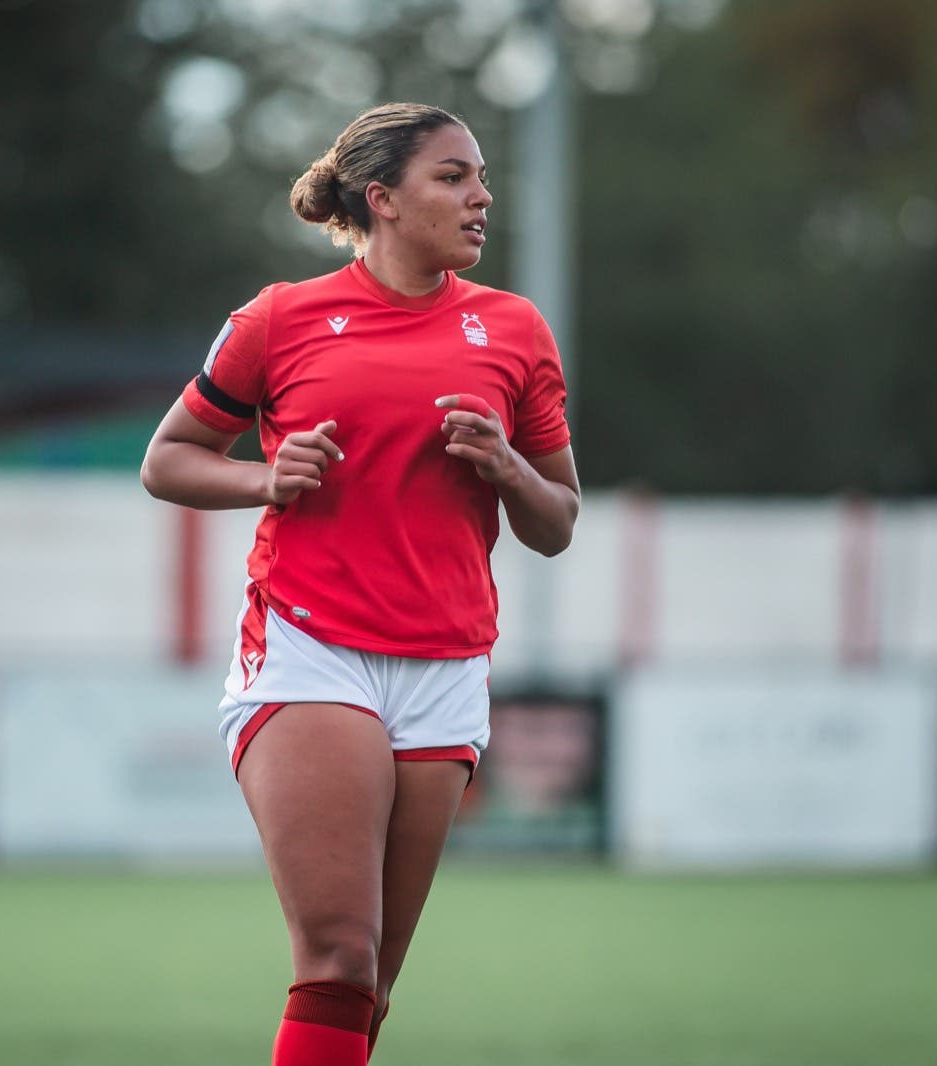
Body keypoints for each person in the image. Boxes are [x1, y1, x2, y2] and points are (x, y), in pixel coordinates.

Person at [141, 102, 578, 1065]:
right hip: (310, 648)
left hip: (447, 666)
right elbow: (166, 461)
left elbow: (557, 523)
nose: (480, 196)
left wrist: (508, 469)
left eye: (480, 177)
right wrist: (264, 476)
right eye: (453, 177)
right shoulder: (278, 317)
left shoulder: (514, 328)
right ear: (381, 200)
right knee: (337, 954)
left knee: (370, 982)